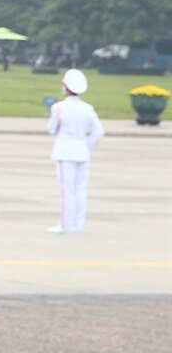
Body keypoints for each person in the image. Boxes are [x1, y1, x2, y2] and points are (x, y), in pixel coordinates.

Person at [47, 68, 105, 235]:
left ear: (66, 87)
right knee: (80, 189)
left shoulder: (58, 107)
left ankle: (65, 225)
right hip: (82, 151)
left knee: (67, 190)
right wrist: (87, 145)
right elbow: (99, 131)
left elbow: (51, 129)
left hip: (65, 151)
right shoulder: (87, 108)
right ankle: (77, 224)